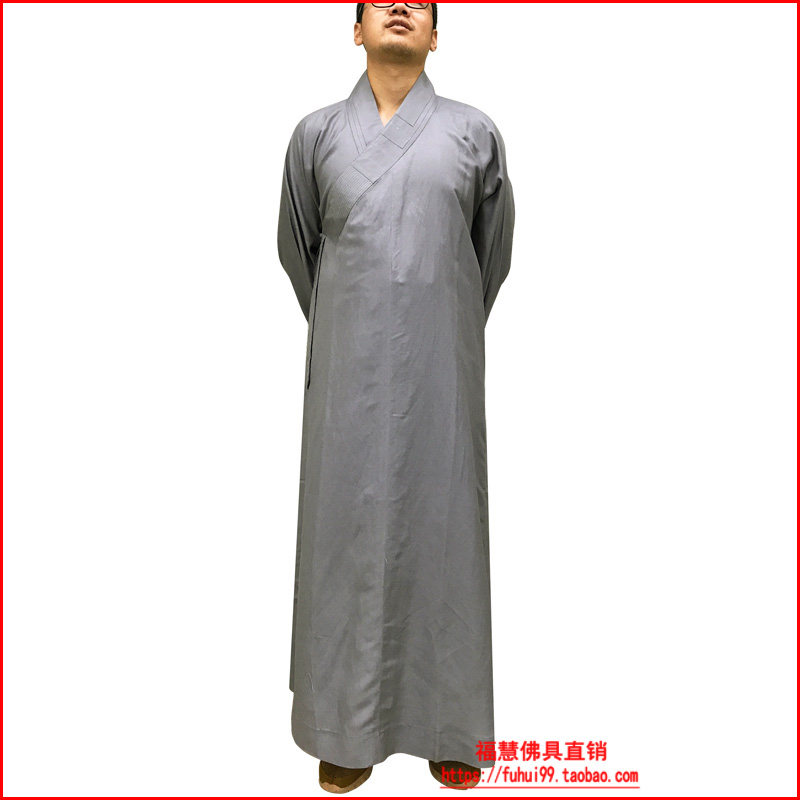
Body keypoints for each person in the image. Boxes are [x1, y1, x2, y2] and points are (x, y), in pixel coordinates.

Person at [277, 2, 515, 792]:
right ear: (357, 29)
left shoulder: (474, 134)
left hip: (441, 367)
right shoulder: (315, 136)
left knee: (445, 532)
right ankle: (343, 730)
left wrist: (437, 314)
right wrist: (353, 319)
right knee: (342, 537)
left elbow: (488, 255)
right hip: (346, 372)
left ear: (437, 35)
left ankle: (452, 725)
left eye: (420, 2)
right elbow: (300, 249)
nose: (402, 6)